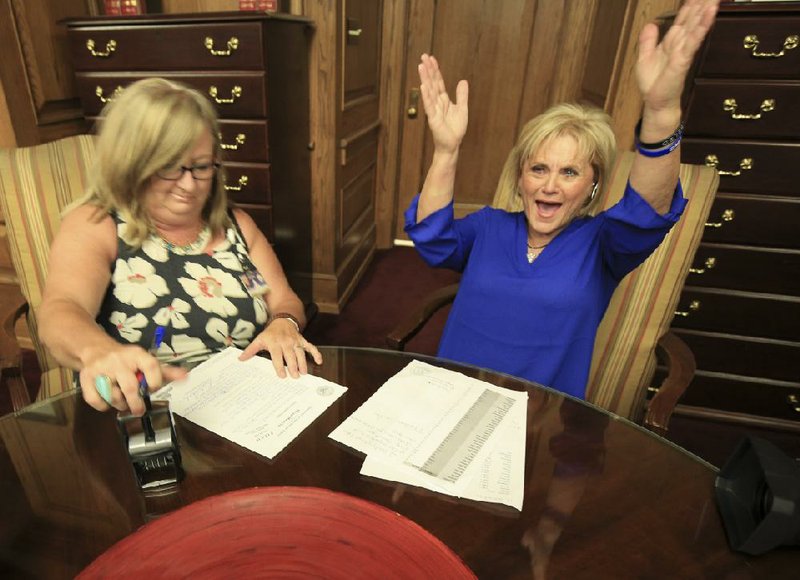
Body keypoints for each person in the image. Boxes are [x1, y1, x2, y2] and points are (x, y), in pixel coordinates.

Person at [405, 0, 719, 399]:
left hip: (537, 421)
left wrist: (660, 113)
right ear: (520, 179)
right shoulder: (489, 226)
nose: (549, 186)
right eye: (538, 169)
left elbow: (646, 211)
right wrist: (447, 151)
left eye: (569, 172)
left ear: (592, 185)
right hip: (449, 400)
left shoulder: (603, 244)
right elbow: (433, 240)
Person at [38, 77, 322, 417]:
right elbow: (61, 311)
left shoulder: (236, 227)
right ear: (131, 164)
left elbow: (283, 299)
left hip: (248, 409)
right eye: (170, 167)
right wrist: (96, 351)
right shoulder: (98, 224)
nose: (189, 185)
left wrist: (284, 323)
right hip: (146, 416)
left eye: (201, 167)